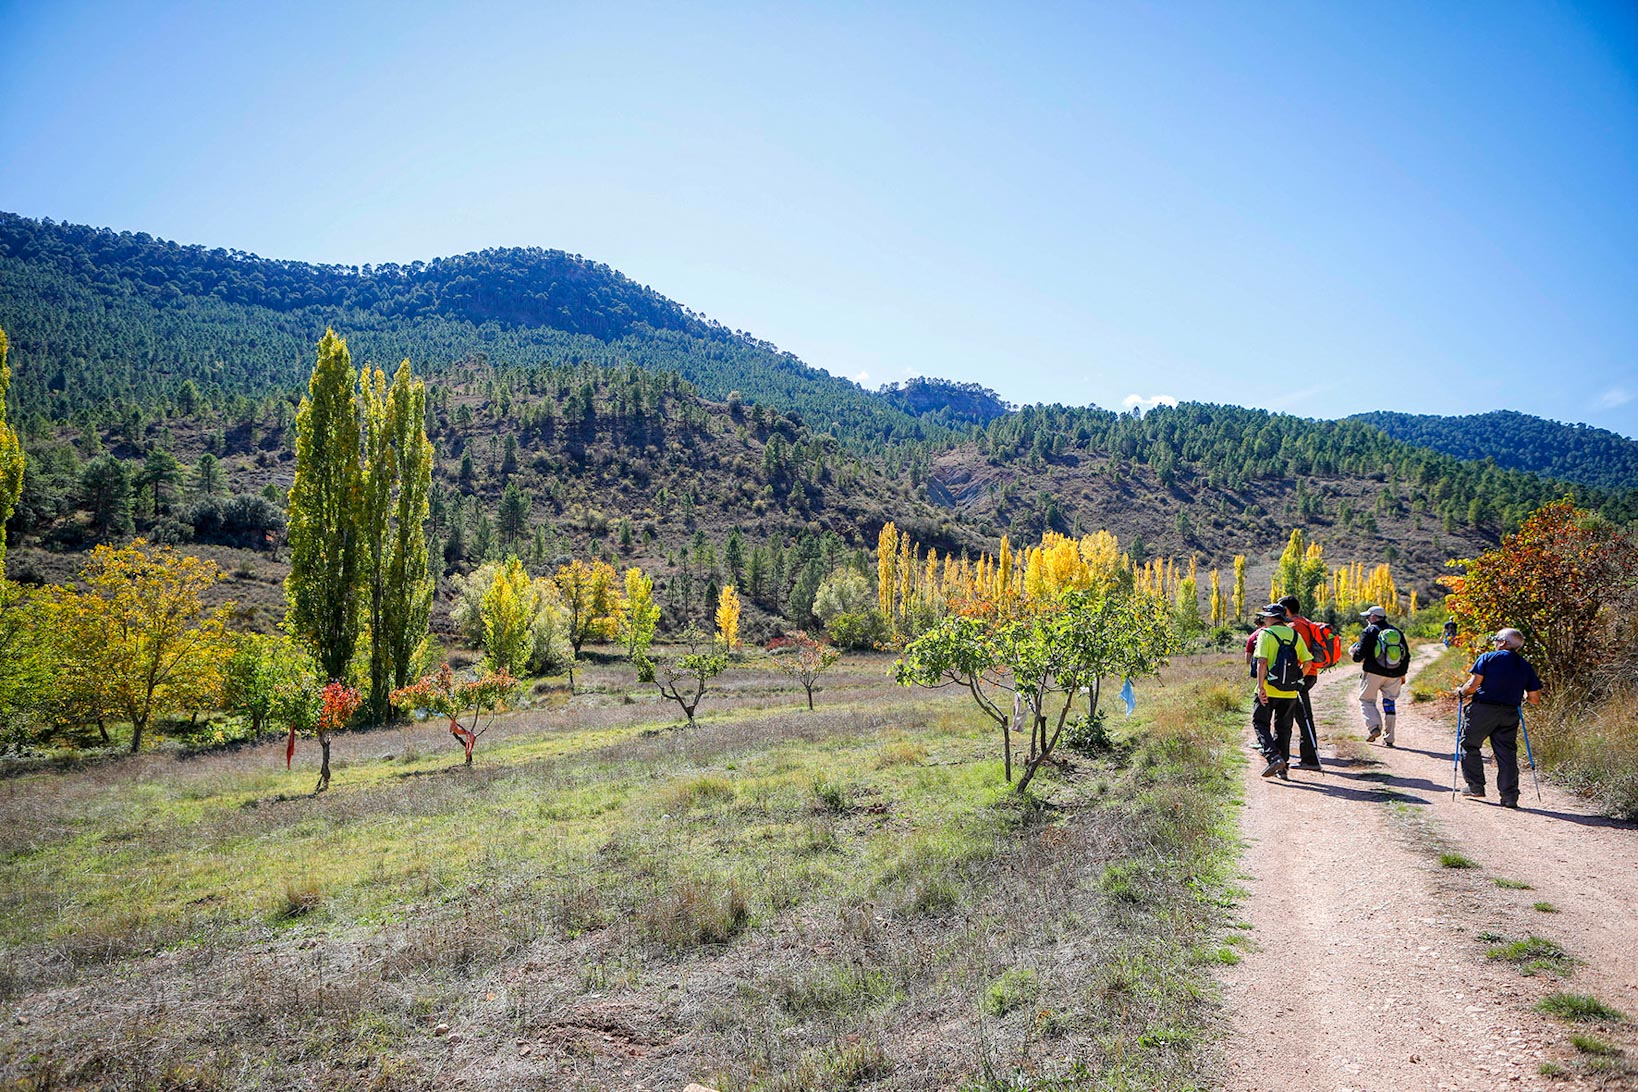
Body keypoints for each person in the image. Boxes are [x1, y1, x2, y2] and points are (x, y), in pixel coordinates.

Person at [1454, 628, 1543, 808]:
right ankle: (1510, 796)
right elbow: (1534, 699)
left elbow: (1472, 685)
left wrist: (1460, 692)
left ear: (1503, 642)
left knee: (1469, 744)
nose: (1494, 642)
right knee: (1506, 754)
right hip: (1510, 713)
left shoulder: (1488, 658)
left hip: (1483, 710)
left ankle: (1475, 786)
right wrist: (1520, 695)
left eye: (1496, 639)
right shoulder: (1525, 665)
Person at [1252, 603, 1313, 779]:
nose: (1264, 619)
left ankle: (1273, 757)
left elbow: (1262, 662)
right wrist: (1297, 679)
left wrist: (1261, 687)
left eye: (1265, 616)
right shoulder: (1295, 635)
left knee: (1260, 723)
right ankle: (1282, 768)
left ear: (1272, 618)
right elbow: (1308, 662)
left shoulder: (1266, 634)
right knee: (1284, 728)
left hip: (1269, 689)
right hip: (1290, 692)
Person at [1350, 605, 1408, 746]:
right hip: (1395, 673)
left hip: (1373, 672)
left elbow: (1359, 656)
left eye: (1368, 617)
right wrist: (1402, 673)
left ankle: (1374, 727)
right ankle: (1389, 738)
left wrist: (1353, 652)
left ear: (1374, 617)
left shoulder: (1369, 631)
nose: (1366, 619)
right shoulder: (1396, 631)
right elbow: (1406, 655)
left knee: (1366, 700)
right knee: (1389, 702)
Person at [1278, 594, 1324, 770]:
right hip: (1310, 673)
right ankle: (1306, 756)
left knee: (1302, 717)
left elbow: (1295, 653)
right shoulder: (1305, 622)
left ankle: (1310, 759)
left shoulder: (1294, 626)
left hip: (1301, 675)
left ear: (1286, 610)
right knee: (1300, 714)